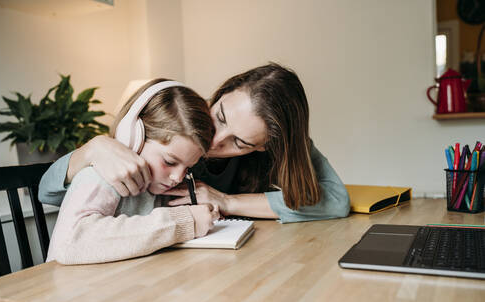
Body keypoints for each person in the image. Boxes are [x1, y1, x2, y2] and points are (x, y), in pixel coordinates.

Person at [39, 63, 350, 224]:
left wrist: (228, 202)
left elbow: (336, 201)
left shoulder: (276, 143)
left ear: (263, 147)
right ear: (222, 92)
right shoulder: (179, 123)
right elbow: (47, 191)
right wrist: (93, 149)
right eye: (221, 116)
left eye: (239, 143)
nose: (214, 139)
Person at [46, 79, 219, 265]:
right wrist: (184, 221)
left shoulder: (158, 187)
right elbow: (71, 242)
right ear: (133, 137)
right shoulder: (99, 176)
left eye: (188, 167)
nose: (177, 177)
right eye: (169, 161)